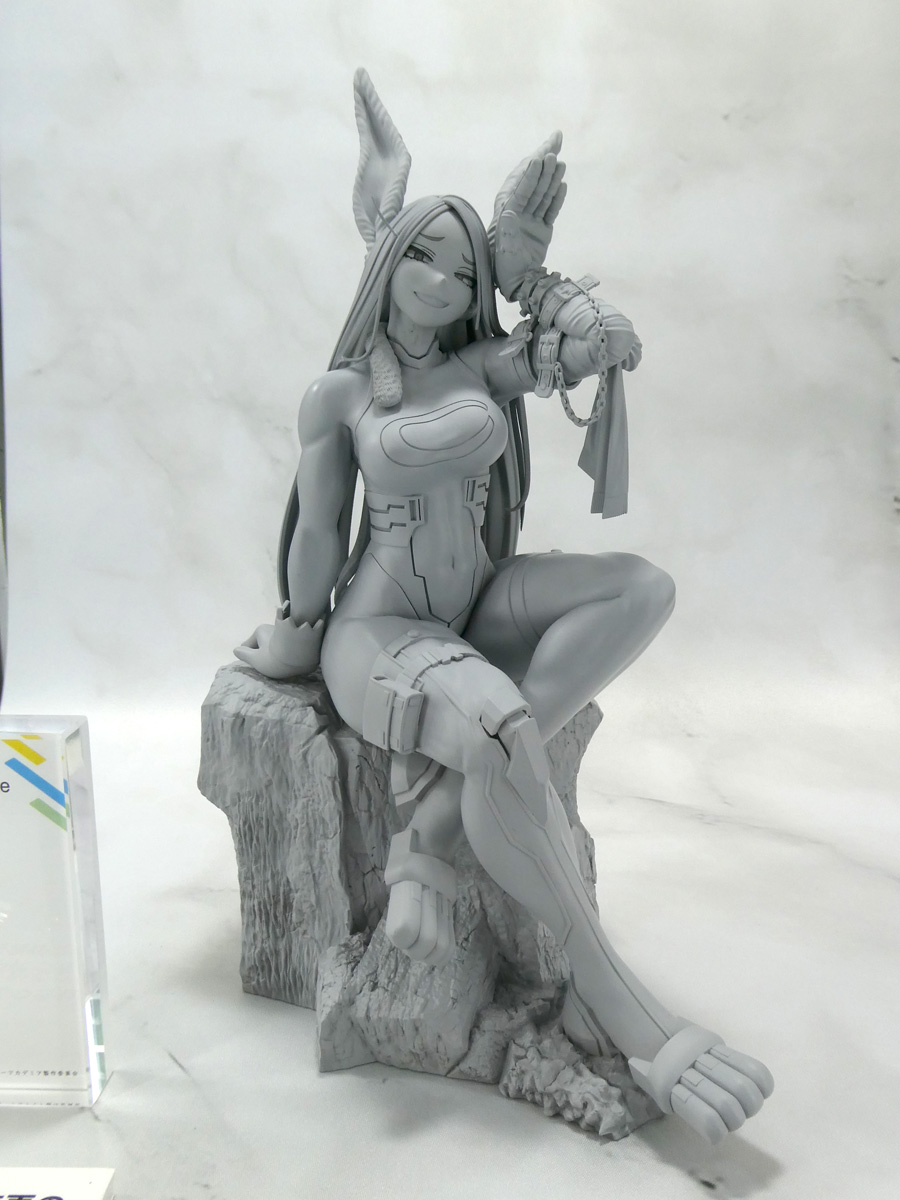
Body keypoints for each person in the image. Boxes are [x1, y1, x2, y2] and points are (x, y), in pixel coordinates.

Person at [235, 69, 773, 1143]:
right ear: (385, 258)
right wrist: (297, 627)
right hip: (378, 633)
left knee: (639, 588)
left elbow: (585, 349)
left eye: (463, 265)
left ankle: (437, 820)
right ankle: (623, 1009)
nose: (442, 281)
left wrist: (555, 291)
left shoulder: (483, 364)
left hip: (474, 606)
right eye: (422, 256)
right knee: (499, 726)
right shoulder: (341, 394)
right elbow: (318, 529)